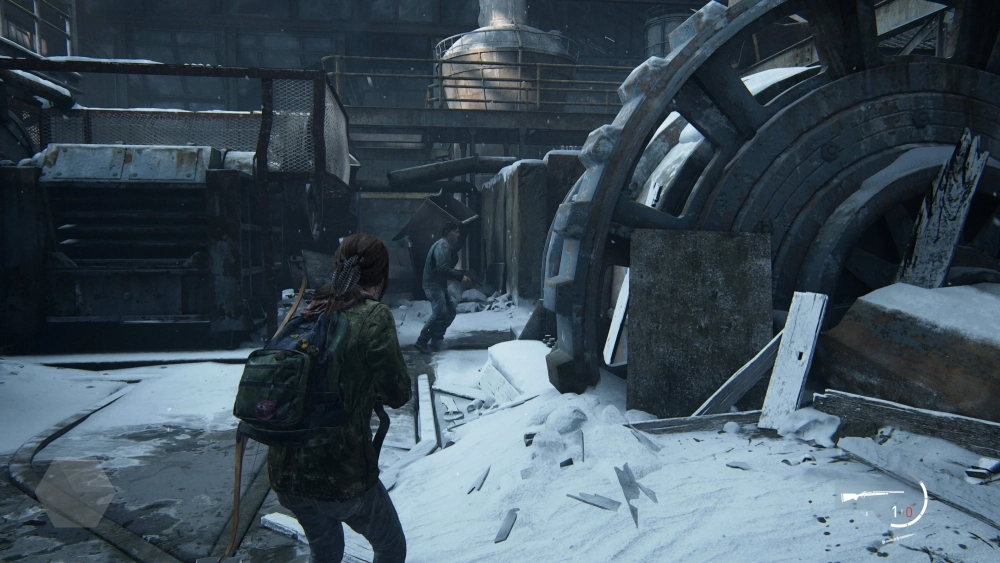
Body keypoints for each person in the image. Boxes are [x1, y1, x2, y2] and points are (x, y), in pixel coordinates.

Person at [268, 233, 411, 563]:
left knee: (325, 551)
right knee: (390, 547)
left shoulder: (311, 309)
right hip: (341, 476)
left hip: (287, 474)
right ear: (381, 275)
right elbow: (398, 393)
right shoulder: (373, 316)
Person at [415, 221, 470, 353]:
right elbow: (442, 267)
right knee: (439, 313)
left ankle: (436, 340)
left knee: (450, 312)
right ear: (448, 233)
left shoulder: (446, 246)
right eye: (456, 232)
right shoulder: (442, 245)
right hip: (433, 285)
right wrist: (460, 277)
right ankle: (421, 341)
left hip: (439, 285)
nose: (458, 235)